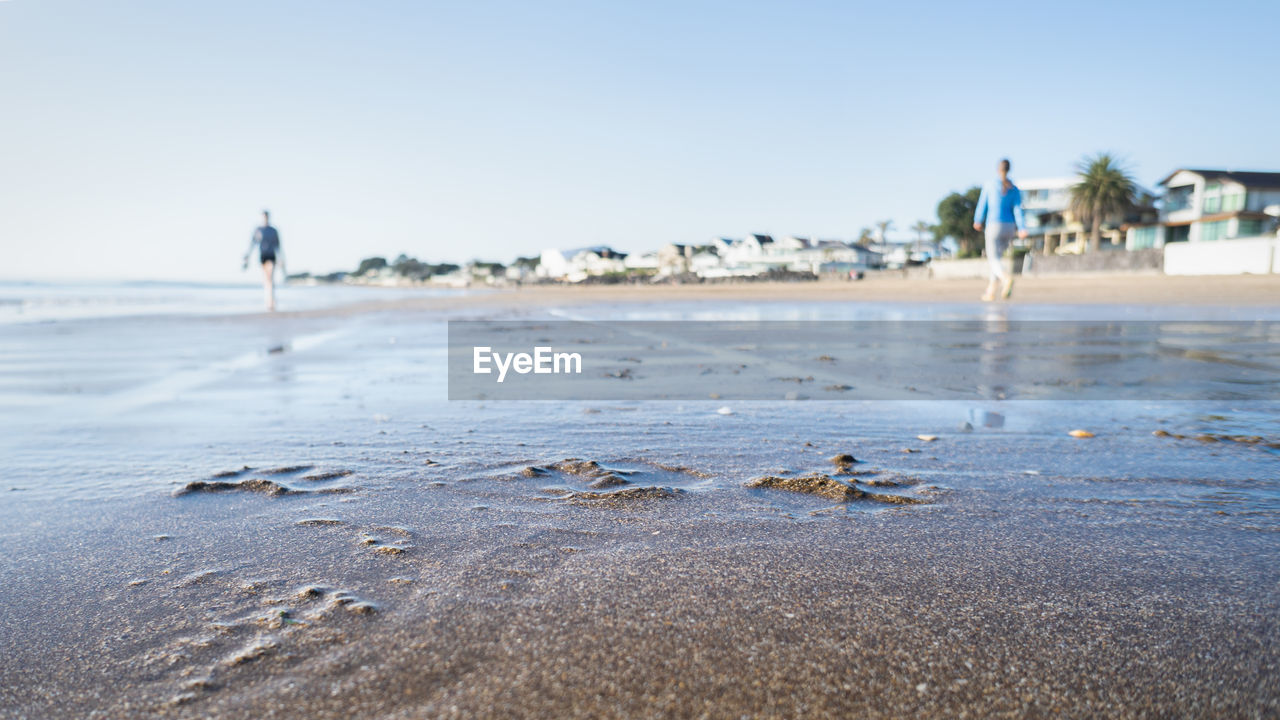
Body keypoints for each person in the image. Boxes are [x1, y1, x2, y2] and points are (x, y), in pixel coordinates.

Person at [972, 159, 1027, 301]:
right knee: (997, 259)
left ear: (998, 169)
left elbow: (982, 204)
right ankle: (990, 292)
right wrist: (1021, 228)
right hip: (1009, 227)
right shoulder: (1013, 189)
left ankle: (1006, 278)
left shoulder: (990, 185)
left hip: (994, 225)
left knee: (993, 259)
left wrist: (978, 220)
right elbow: (1017, 209)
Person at [243, 210, 284, 310]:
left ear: (268, 217)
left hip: (271, 255)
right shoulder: (258, 230)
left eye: (266, 217)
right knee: (266, 280)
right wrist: (247, 256)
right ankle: (269, 301)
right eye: (263, 217)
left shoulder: (273, 230)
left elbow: (278, 246)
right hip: (262, 256)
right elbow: (252, 243)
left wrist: (281, 259)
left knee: (270, 278)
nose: (265, 218)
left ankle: (271, 302)